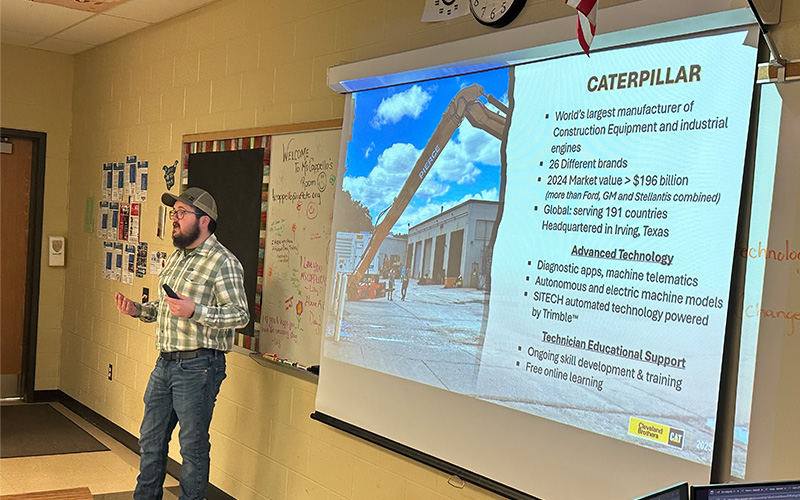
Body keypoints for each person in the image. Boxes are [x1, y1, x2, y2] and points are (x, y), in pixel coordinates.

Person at [115, 187, 249, 500]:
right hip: (165, 364)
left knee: (192, 447)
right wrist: (139, 310)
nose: (174, 219)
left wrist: (196, 311)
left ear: (204, 221)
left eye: (180, 214)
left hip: (199, 367)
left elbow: (240, 315)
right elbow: (167, 308)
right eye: (173, 213)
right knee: (150, 440)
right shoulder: (178, 258)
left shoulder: (223, 262)